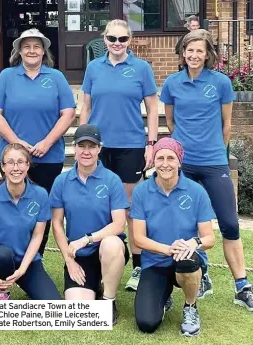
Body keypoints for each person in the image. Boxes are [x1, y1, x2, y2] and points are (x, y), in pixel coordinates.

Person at [161, 29, 253, 311]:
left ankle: (242, 287)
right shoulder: (172, 83)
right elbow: (171, 123)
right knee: (183, 224)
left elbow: (226, 125)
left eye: (199, 51)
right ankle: (196, 275)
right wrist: (185, 148)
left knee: (229, 224)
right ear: (182, 53)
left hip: (214, 161)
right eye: (189, 50)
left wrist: (216, 151)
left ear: (208, 55)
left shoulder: (220, 83)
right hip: (183, 163)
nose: (193, 55)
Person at [80, 19, 158, 292]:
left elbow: (152, 107)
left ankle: (137, 267)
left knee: (129, 207)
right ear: (104, 39)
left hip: (131, 145)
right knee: (101, 204)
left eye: (122, 39)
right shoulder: (93, 68)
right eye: (111, 38)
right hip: (99, 146)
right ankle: (104, 260)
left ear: (130, 40)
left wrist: (151, 143)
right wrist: (82, 142)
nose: (116, 44)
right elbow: (86, 107)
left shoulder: (141, 68)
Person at [0, 28, 76, 257]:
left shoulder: (56, 78)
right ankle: (9, 256)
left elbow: (68, 113)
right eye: (26, 46)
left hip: (49, 156)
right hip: (12, 157)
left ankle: (35, 258)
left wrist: (46, 142)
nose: (32, 51)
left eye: (37, 46)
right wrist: (17, 144)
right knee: (12, 206)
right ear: (19, 51)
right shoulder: (6, 77)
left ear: (44, 51)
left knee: (40, 209)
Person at [132, 137, 216, 337]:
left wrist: (192, 243)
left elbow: (209, 238)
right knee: (146, 323)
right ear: (154, 161)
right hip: (155, 262)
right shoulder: (141, 191)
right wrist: (168, 249)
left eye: (171, 158)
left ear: (179, 161)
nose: (165, 164)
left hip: (186, 259)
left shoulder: (197, 192)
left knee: (186, 260)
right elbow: (138, 238)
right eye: (160, 158)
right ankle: (164, 296)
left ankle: (190, 306)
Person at [50, 124, 130, 325]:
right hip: (78, 256)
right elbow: (57, 224)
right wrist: (69, 261)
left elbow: (119, 224)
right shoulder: (61, 181)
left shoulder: (112, 180)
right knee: (78, 311)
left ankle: (109, 300)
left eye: (91, 146)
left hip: (107, 249)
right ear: (74, 148)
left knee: (110, 243)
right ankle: (97, 284)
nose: (86, 151)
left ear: (99, 149)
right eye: (82, 146)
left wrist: (87, 239)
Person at [0, 143, 61, 301]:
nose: (15, 167)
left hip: (27, 260)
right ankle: (2, 291)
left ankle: (21, 278)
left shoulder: (40, 195)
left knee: (53, 302)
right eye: (10, 162)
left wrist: (23, 268)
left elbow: (37, 236)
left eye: (20, 162)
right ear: (3, 167)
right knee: (3, 255)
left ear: (28, 165)